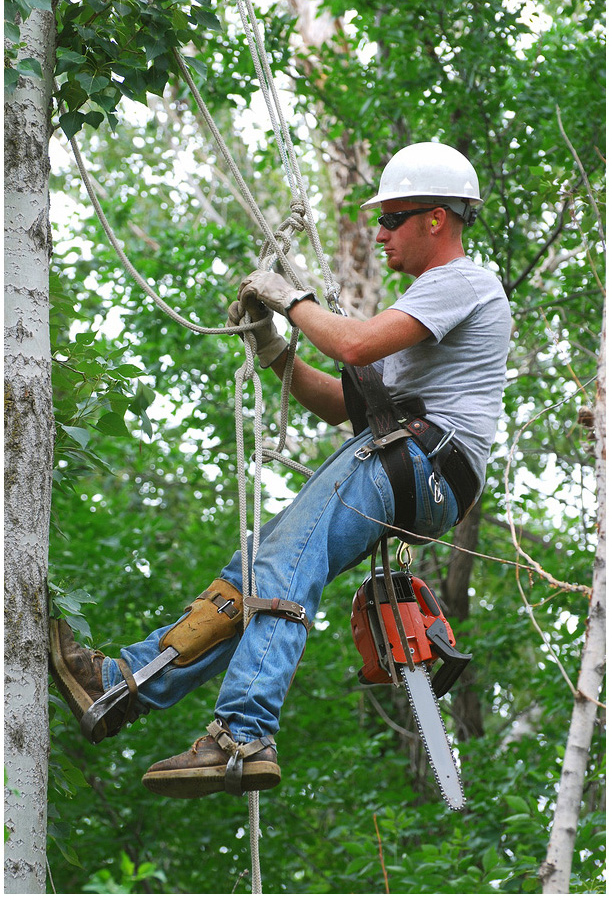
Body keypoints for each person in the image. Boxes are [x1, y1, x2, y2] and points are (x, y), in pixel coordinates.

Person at [50, 142, 511, 799]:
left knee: (286, 566)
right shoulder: (425, 314)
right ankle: (122, 685)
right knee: (254, 569)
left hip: (423, 461)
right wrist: (272, 347)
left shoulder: (461, 281)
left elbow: (351, 342)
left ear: (437, 219)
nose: (379, 233)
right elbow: (337, 401)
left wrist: (290, 298)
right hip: (412, 464)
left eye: (393, 218)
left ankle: (243, 732)